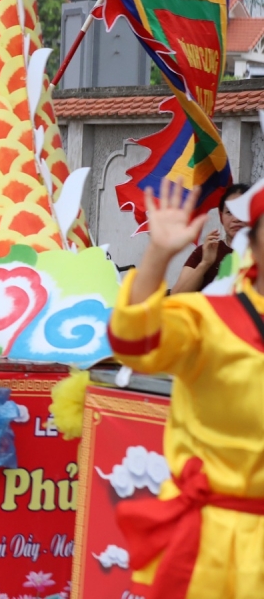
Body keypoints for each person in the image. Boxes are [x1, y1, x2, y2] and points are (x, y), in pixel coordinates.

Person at [107, 178, 264, 599]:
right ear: (256, 241)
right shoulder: (211, 317)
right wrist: (159, 254)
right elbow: (136, 342)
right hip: (216, 546)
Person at [171, 182, 249, 294]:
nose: (236, 218)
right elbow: (176, 296)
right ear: (221, 216)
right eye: (229, 212)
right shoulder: (207, 251)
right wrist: (205, 263)